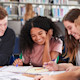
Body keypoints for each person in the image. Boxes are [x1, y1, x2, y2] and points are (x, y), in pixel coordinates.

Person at [34, 8, 80, 80]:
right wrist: (57, 67)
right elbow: (73, 65)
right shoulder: (77, 42)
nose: (69, 33)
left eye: (70, 28)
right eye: (67, 29)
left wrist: (52, 78)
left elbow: (77, 73)